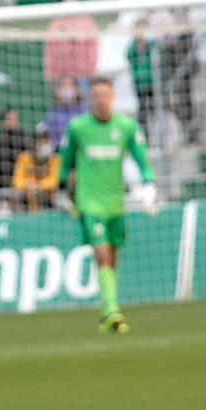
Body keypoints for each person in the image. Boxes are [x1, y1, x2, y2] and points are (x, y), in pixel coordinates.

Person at [59, 77, 157, 334]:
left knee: (112, 258)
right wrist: (61, 189)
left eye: (105, 94)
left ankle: (107, 312)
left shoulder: (126, 126)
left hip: (115, 202)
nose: (101, 100)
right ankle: (113, 309)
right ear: (90, 99)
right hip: (89, 203)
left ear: (112, 97)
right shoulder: (78, 127)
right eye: (96, 95)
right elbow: (65, 161)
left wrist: (149, 184)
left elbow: (142, 158)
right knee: (101, 255)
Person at [11, 128, 60, 212]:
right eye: (42, 143)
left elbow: (54, 181)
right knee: (16, 195)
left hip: (47, 198)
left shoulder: (54, 159)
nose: (45, 146)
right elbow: (16, 180)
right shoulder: (24, 157)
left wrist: (39, 185)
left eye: (46, 142)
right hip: (27, 197)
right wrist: (27, 184)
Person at [0, 108, 26, 194]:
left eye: (15, 118)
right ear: (3, 122)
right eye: (9, 119)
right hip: (4, 188)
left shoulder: (23, 139)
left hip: (21, 186)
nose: (13, 121)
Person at [43, 76, 86, 149]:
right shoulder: (53, 111)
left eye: (70, 84)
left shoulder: (84, 110)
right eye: (63, 84)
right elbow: (46, 131)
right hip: (57, 149)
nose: (67, 88)